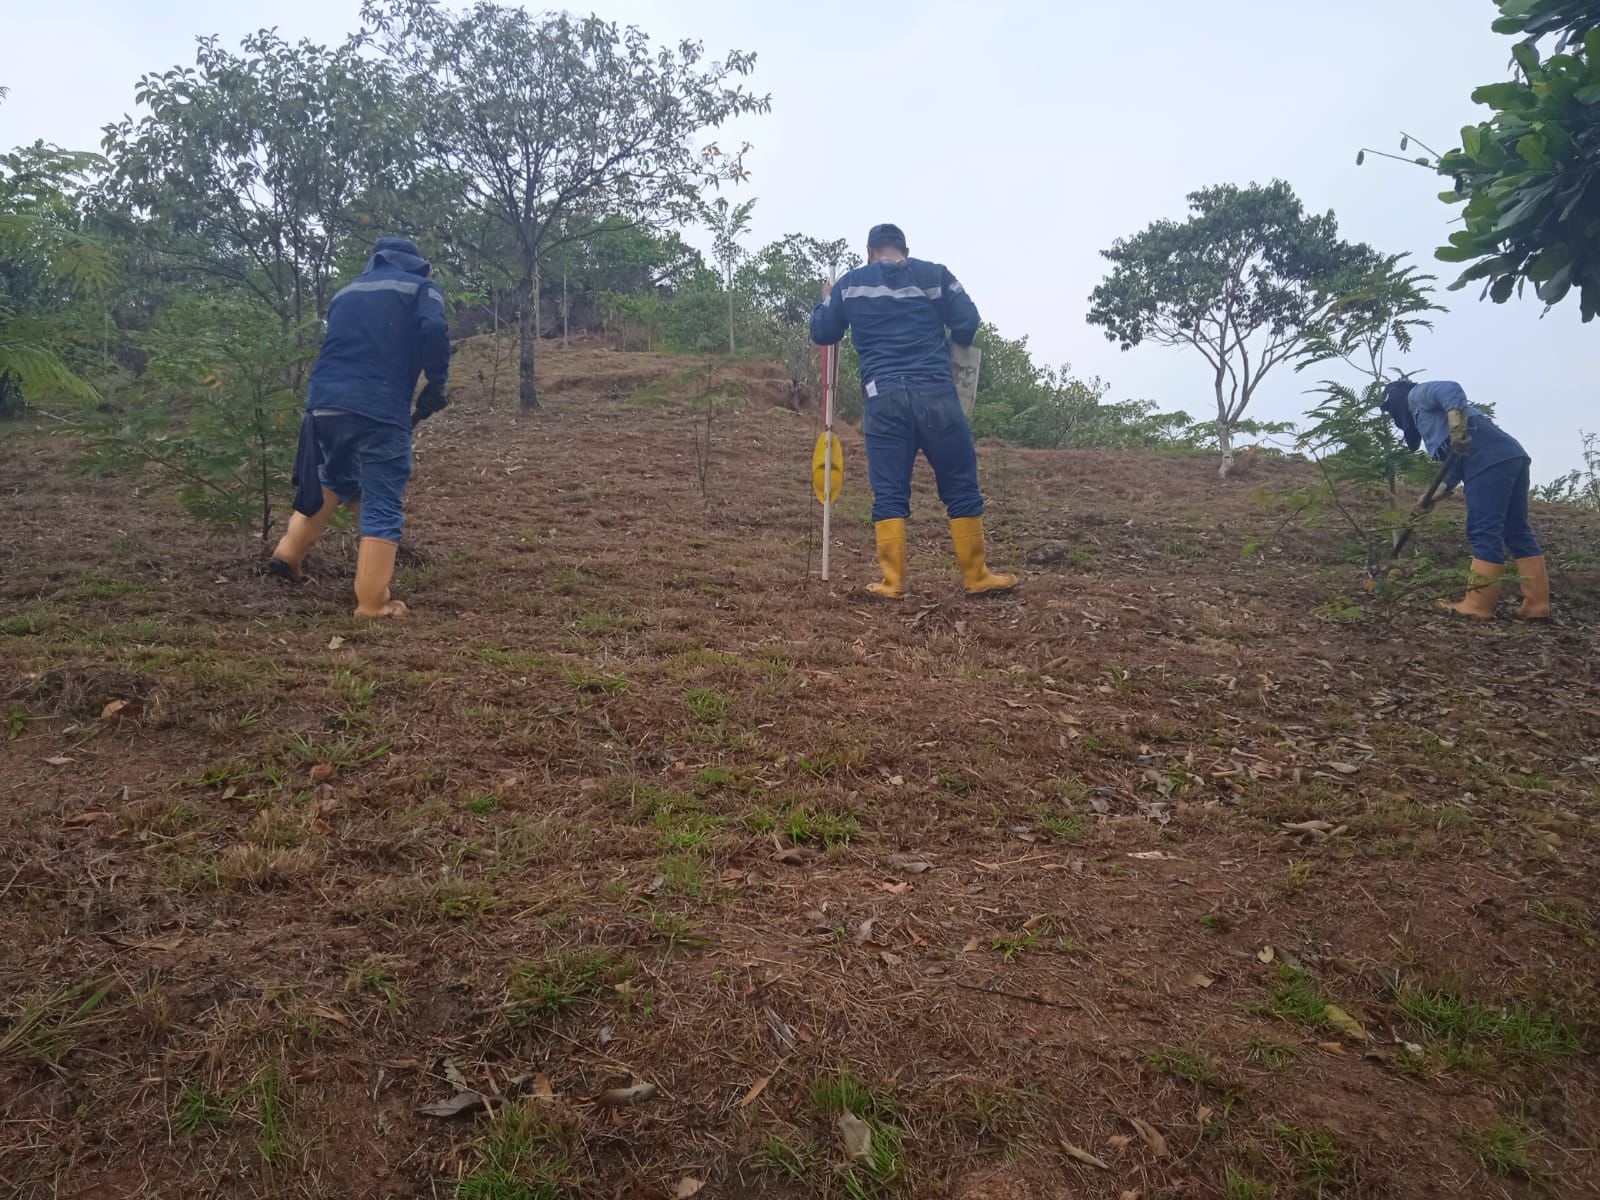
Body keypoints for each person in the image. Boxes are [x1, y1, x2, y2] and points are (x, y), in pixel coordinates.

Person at [810, 223, 1016, 599]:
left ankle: (892, 583)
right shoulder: (933, 274)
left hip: (882, 397)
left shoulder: (851, 285)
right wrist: (956, 350)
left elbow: (823, 332)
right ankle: (976, 576)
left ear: (870, 251)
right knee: (959, 479)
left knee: (889, 488)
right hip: (936, 391)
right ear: (904, 248)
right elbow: (968, 321)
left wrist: (827, 299)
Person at [269, 237, 450, 618]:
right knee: (382, 496)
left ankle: (288, 553)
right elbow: (433, 329)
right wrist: (436, 383)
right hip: (379, 409)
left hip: (323, 405)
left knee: (336, 477)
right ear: (416, 264)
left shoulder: (346, 292)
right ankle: (372, 603)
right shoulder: (421, 288)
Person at [1381, 378, 1550, 621]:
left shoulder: (1415, 395)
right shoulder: (1433, 425)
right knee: (1517, 530)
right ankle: (1537, 606)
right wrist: (1430, 497)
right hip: (1511, 455)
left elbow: (1451, 388)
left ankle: (1478, 604)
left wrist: (1457, 429)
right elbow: (1454, 468)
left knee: (1484, 529)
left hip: (1486, 460)